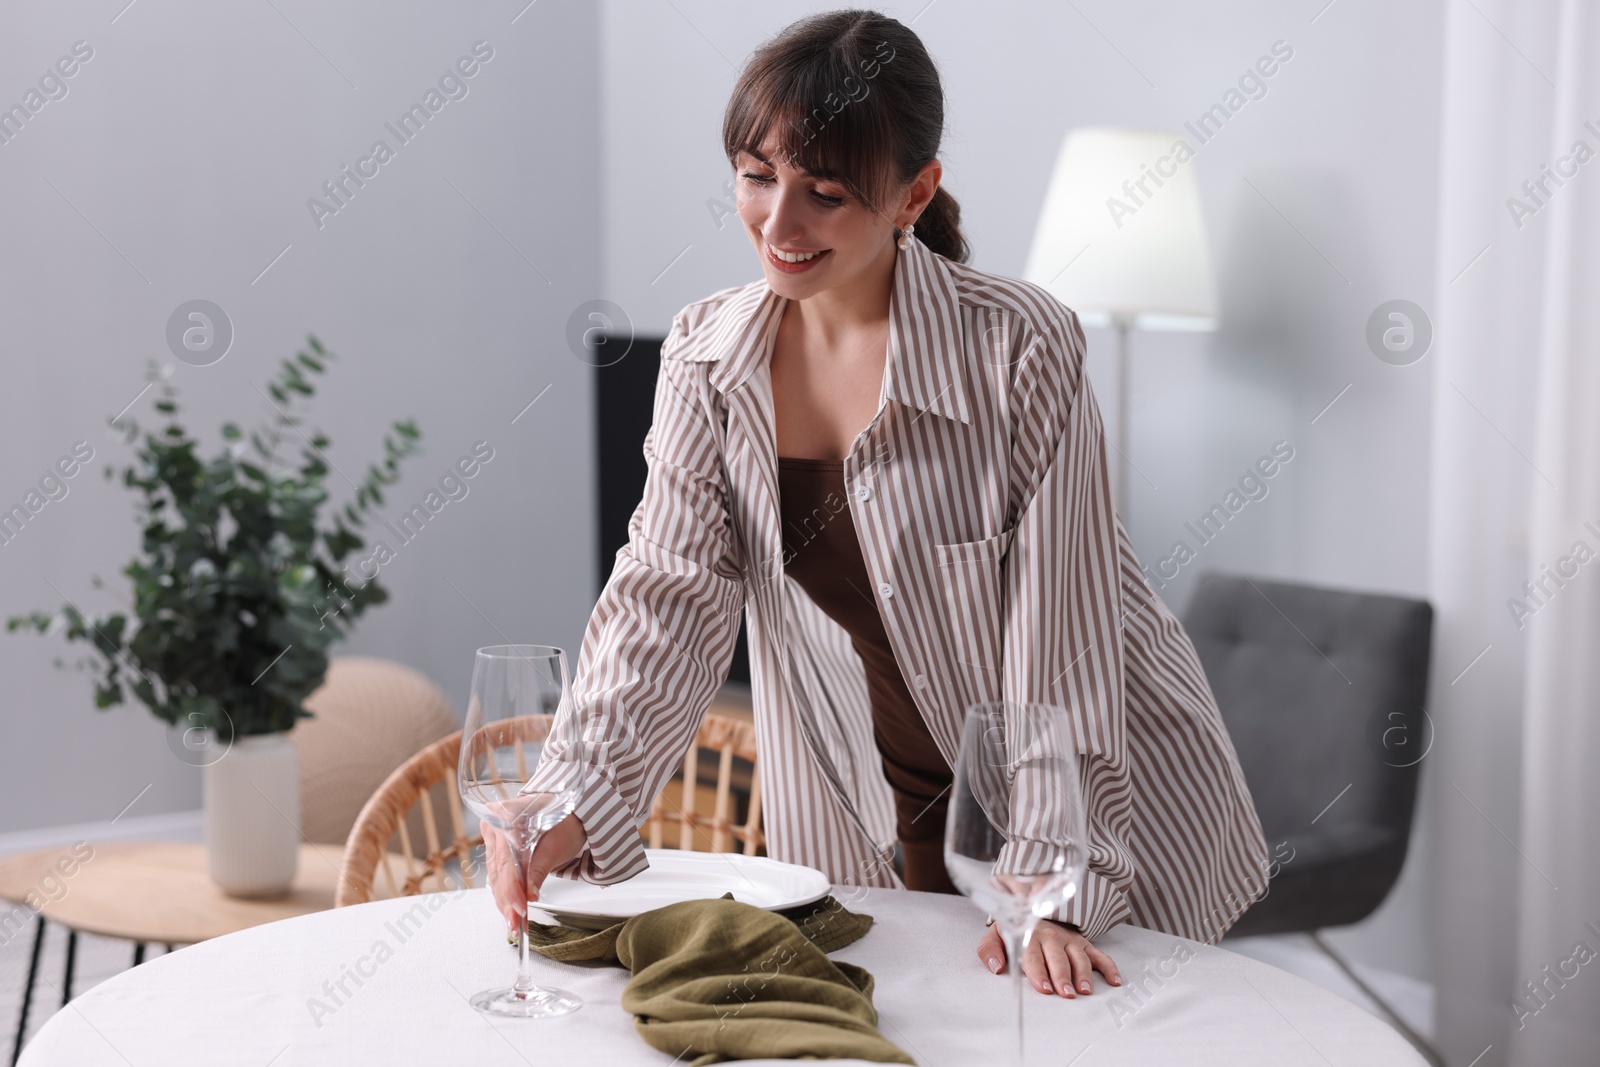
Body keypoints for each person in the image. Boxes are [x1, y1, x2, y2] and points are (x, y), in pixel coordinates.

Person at [487, 8, 1270, 1002]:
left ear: (913, 194)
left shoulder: (1019, 348)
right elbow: (664, 596)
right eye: (756, 175)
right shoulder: (705, 357)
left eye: (823, 193)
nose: (778, 223)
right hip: (862, 808)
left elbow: (1058, 630)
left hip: (1079, 808)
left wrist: (1050, 877)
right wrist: (577, 798)